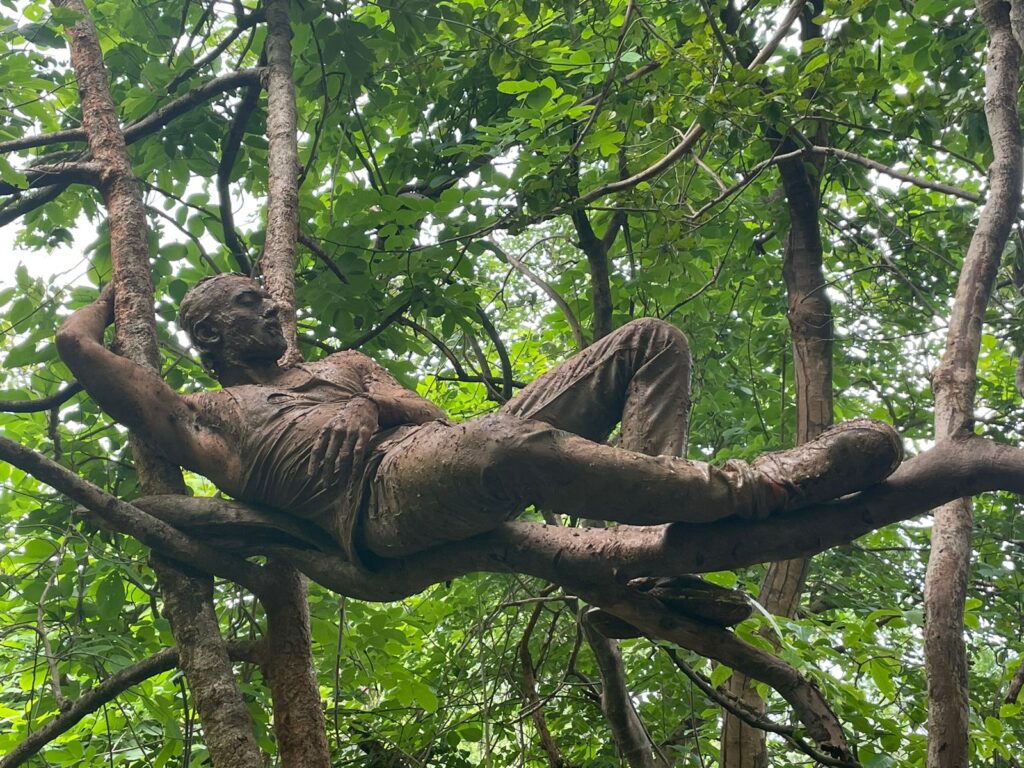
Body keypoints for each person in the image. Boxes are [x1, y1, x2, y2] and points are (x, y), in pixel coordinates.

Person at [56, 274, 903, 565]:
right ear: (212, 335)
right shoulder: (206, 415)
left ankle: (655, 537)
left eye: (266, 295)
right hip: (376, 503)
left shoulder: (344, 363)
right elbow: (78, 350)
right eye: (248, 303)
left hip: (444, 444)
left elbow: (426, 410)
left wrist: (362, 397)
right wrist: (104, 306)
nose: (271, 305)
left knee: (648, 340)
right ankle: (751, 487)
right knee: (507, 443)